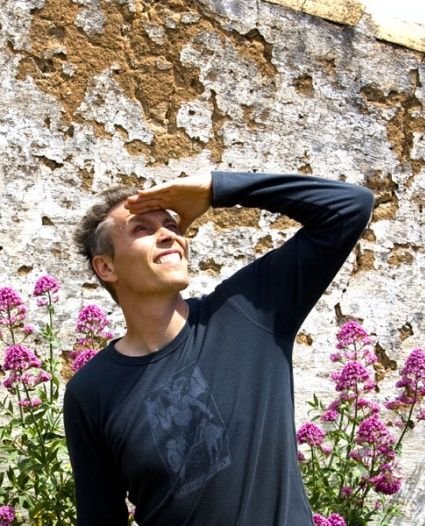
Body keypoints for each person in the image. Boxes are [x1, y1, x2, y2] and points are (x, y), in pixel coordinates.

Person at [64, 170, 374, 526]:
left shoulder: (248, 313)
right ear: (106, 266)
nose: (168, 235)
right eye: (142, 229)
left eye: (171, 225)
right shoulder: (91, 392)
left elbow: (350, 206)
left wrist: (216, 189)